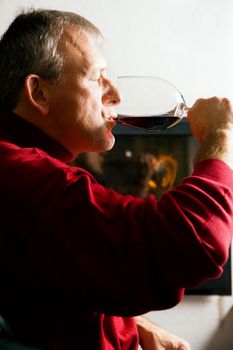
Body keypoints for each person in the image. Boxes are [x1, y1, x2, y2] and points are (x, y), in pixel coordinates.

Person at [0, 8, 232, 350]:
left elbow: (56, 282)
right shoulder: (21, 173)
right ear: (40, 93)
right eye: (97, 78)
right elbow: (192, 241)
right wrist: (220, 135)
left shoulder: (29, 169)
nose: (117, 95)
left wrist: (135, 325)